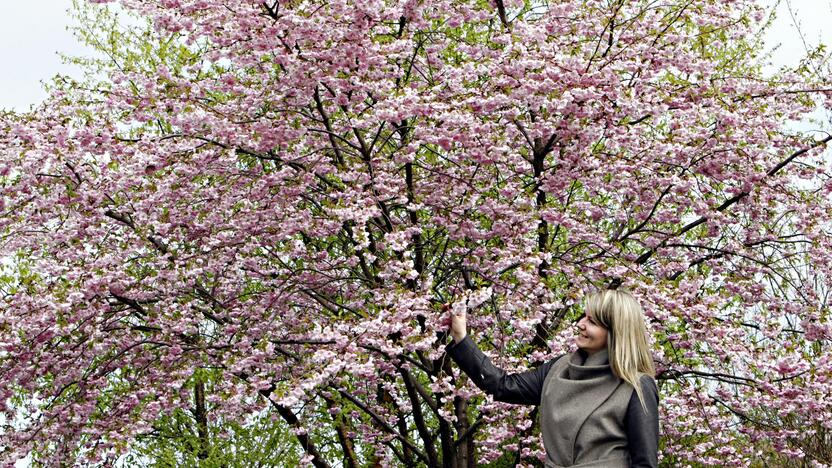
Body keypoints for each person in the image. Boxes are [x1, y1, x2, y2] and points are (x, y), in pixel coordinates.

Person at [446, 289, 659, 468]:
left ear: (615, 332)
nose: (581, 324)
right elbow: (503, 385)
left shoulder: (636, 385)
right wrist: (461, 337)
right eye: (583, 316)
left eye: (592, 321)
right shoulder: (558, 369)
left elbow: (645, 463)